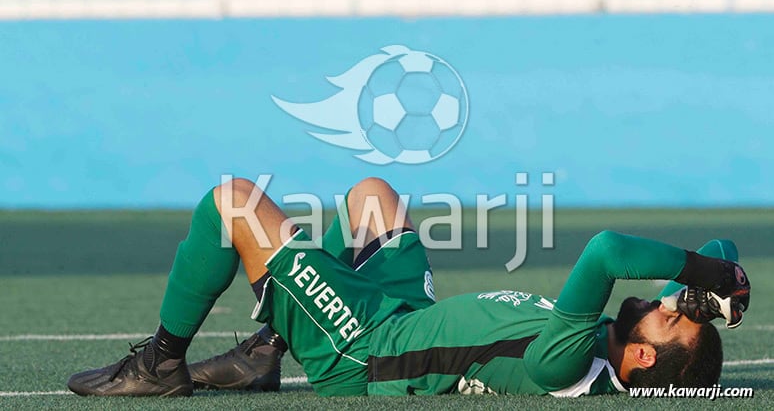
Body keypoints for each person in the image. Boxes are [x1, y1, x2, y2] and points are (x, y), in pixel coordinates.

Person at [67, 177, 750, 397]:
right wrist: (721, 278)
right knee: (372, 195)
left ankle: (159, 363)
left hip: (365, 351)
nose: (668, 300)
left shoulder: (568, 364)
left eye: (672, 315)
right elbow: (712, 257)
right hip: (404, 315)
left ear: (640, 358)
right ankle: (271, 346)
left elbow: (606, 252)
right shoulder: (611, 338)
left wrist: (703, 274)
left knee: (231, 204)